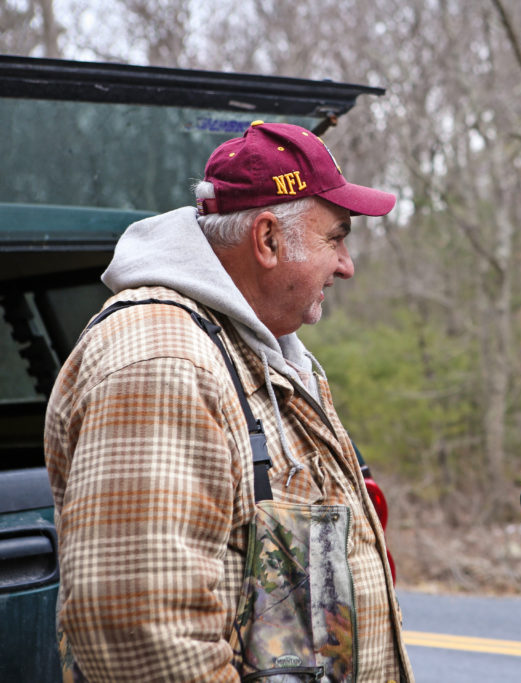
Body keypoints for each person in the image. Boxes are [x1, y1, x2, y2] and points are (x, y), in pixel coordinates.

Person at [45, 121, 413, 682]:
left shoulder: (259, 350)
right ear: (266, 239)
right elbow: (143, 636)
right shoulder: (164, 361)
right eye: (334, 239)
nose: (346, 265)